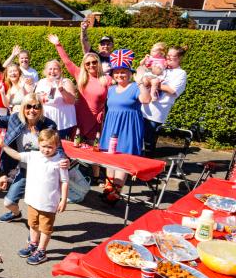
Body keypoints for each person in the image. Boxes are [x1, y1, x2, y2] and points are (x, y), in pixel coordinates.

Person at [0, 89, 60, 223]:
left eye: (36, 106)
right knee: (8, 202)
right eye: (28, 106)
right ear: (23, 107)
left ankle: (36, 233)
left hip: (42, 171)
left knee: (37, 205)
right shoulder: (15, 119)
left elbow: (58, 144)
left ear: (41, 109)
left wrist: (63, 159)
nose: (32, 110)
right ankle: (16, 213)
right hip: (24, 170)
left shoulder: (48, 125)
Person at [0, 129, 68, 265]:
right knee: (32, 225)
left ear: (57, 146)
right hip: (32, 200)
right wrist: (3, 145)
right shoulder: (33, 155)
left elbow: (64, 182)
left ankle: (41, 251)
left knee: (45, 229)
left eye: (50, 147)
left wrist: (63, 199)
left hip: (48, 203)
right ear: (39, 144)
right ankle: (33, 244)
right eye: (44, 146)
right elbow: (16, 155)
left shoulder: (60, 161)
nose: (46, 150)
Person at [100, 51, 152, 203]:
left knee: (122, 160)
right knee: (109, 159)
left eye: (123, 72)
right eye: (117, 72)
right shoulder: (111, 89)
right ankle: (108, 189)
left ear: (130, 73)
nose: (120, 75)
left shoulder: (135, 87)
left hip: (128, 128)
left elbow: (146, 99)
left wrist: (141, 82)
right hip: (111, 126)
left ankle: (114, 194)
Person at [47, 34, 110, 148]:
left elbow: (115, 95)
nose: (91, 65)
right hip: (78, 117)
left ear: (98, 63)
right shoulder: (79, 75)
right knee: (75, 147)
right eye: (88, 63)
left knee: (94, 149)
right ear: (84, 65)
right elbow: (67, 61)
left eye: (94, 62)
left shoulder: (106, 79)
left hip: (95, 120)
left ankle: (95, 167)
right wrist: (58, 44)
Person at [140, 45, 187, 154]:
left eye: (172, 56)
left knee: (148, 143)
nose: (169, 57)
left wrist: (154, 83)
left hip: (156, 112)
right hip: (143, 107)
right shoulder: (162, 67)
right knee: (137, 139)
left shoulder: (181, 73)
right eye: (168, 55)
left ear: (179, 58)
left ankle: (148, 166)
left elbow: (172, 90)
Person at [34, 60, 78, 139]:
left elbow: (71, 101)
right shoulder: (41, 82)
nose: (52, 71)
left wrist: (62, 90)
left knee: (59, 145)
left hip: (62, 122)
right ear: (45, 71)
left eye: (55, 69)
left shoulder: (66, 82)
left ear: (60, 71)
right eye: (50, 69)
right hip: (44, 120)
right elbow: (36, 99)